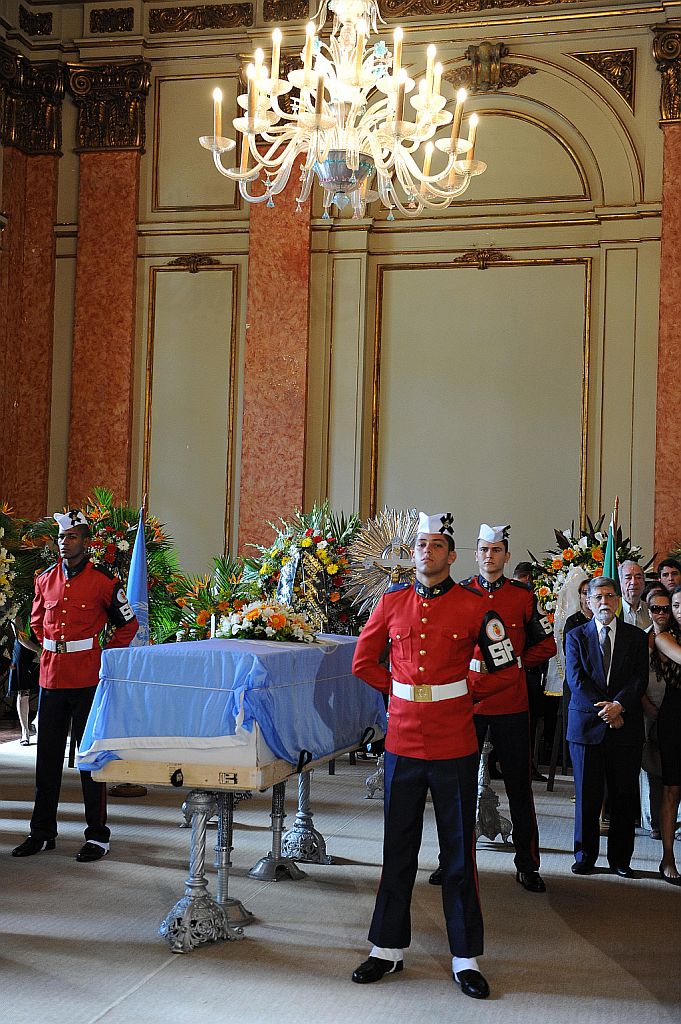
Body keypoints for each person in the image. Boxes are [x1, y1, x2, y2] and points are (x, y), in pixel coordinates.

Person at [350, 512, 490, 1000]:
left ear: (452, 556)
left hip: (455, 743)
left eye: (436, 546)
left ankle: (465, 956)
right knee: (397, 848)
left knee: (457, 853)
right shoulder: (391, 603)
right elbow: (363, 661)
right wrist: (403, 691)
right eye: (420, 545)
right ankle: (387, 948)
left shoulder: (475, 607)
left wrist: (464, 690)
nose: (426, 552)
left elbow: (504, 667)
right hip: (403, 742)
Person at [11, 510, 138, 862]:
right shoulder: (45, 580)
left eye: (72, 537)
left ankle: (97, 836)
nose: (65, 543)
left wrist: (103, 658)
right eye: (62, 538)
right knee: (46, 760)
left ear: (86, 541)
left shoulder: (103, 582)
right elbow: (37, 623)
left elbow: (128, 625)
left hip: (87, 680)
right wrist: (55, 647)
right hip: (52, 676)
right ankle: (42, 833)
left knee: (90, 760)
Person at [455, 524, 557, 893]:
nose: (488, 556)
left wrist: (518, 664)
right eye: (483, 549)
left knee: (518, 786)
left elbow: (547, 643)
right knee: (458, 786)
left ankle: (527, 864)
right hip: (467, 699)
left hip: (511, 699)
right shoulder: (459, 593)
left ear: (506, 556)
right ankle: (454, 862)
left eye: (496, 550)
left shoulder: (522, 596)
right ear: (476, 553)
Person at [565, 576, 648, 876]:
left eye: (609, 596)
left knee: (624, 796)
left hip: (624, 727)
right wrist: (607, 711)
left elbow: (639, 679)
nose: (604, 602)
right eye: (597, 597)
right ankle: (585, 856)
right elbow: (576, 680)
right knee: (587, 795)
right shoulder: (575, 636)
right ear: (588, 601)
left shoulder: (636, 638)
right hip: (587, 727)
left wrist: (619, 706)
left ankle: (621, 860)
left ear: (618, 600)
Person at [651, 584, 681, 884]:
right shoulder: (663, 636)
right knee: (672, 788)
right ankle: (667, 856)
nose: (680, 610)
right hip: (675, 714)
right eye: (675, 605)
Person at [640, 589, 673, 839]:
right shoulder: (640, 639)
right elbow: (634, 679)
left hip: (674, 711)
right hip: (647, 711)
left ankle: (674, 821)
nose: (661, 613)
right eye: (655, 608)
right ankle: (655, 823)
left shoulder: (676, 637)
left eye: (666, 608)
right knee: (653, 770)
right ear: (648, 610)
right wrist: (649, 708)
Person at [6, 617, 40, 744]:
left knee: (47, 690)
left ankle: (38, 722)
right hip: (24, 649)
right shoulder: (20, 608)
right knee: (23, 692)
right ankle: (25, 732)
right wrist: (39, 651)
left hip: (43, 643)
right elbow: (21, 637)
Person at [619, 560, 651, 629]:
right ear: (620, 582)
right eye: (628, 578)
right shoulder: (613, 609)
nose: (633, 582)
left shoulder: (650, 609)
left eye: (638, 577)